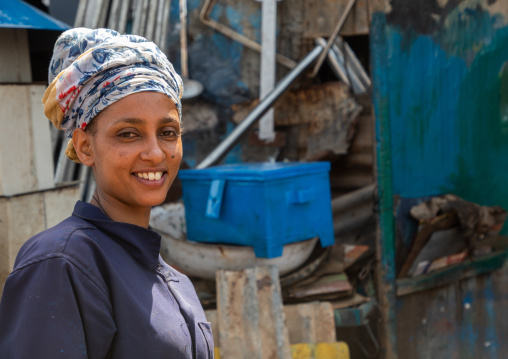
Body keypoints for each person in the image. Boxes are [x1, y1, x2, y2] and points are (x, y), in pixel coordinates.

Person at [0, 28, 214, 359]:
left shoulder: (173, 280)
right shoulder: (62, 264)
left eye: (168, 132)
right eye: (129, 134)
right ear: (85, 147)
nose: (156, 153)